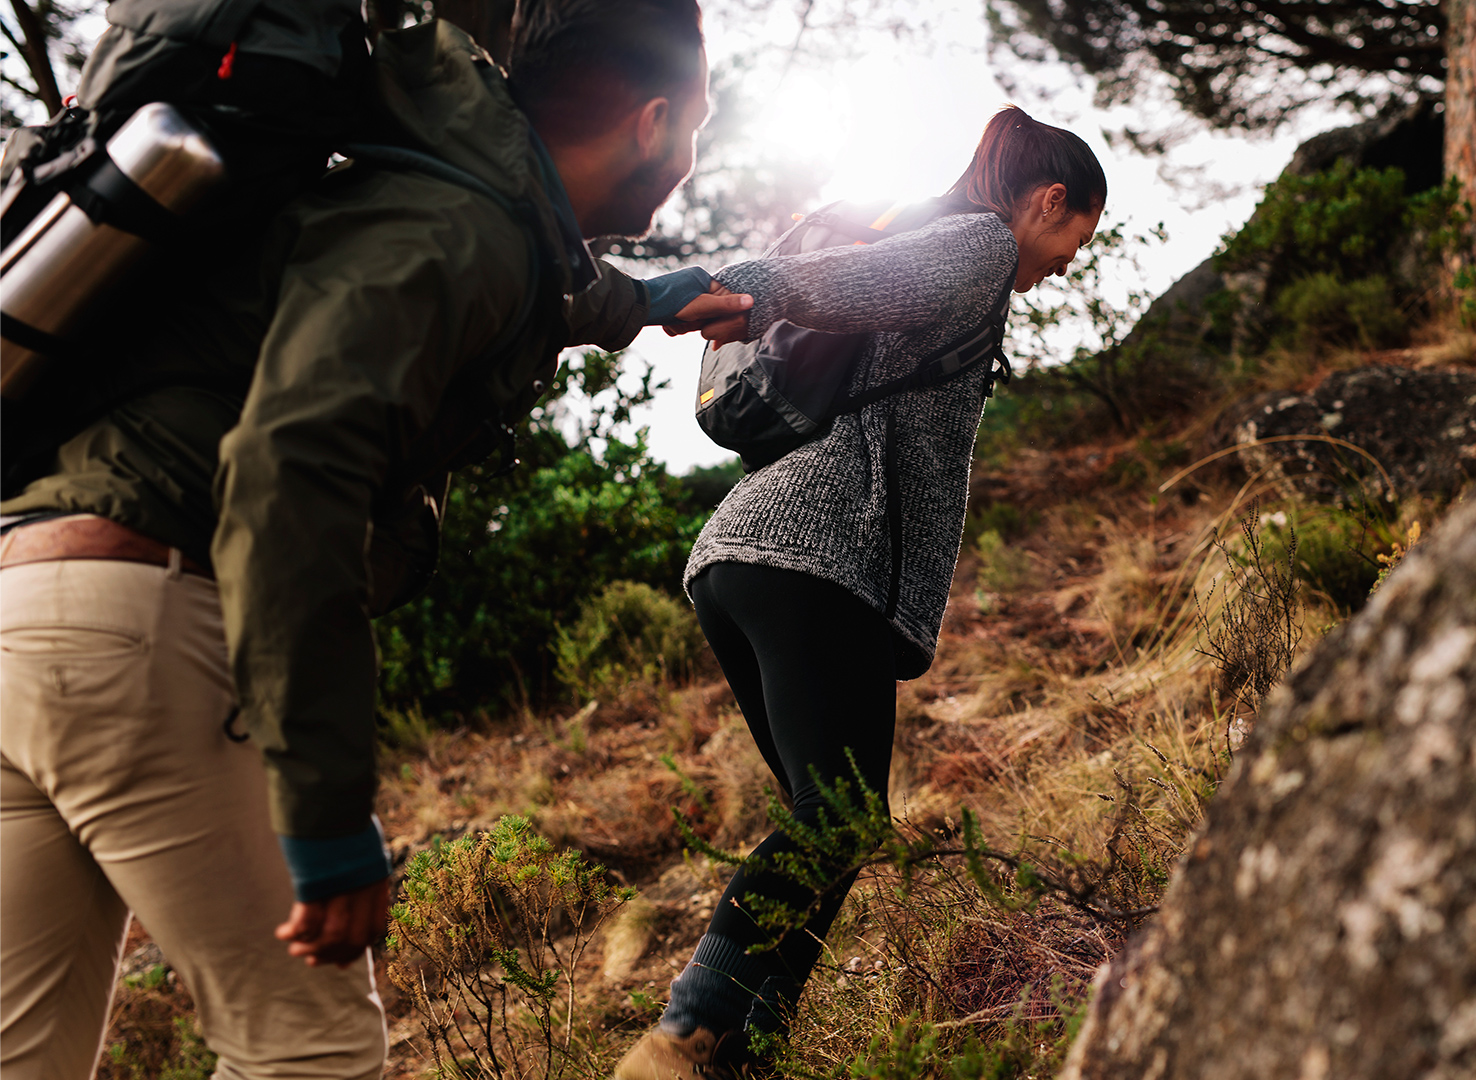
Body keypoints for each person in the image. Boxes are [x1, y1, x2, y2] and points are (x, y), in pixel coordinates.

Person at [0, 0, 746, 1075]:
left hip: (32, 609)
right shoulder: (457, 220)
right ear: (655, 119)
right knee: (308, 1052)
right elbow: (290, 472)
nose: (691, 152)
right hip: (146, 619)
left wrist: (650, 302)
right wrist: (325, 809)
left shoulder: (436, 179)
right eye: (699, 125)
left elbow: (521, 274)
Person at [617, 106, 1106, 1080]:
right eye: (1073, 241)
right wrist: (733, 283)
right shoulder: (973, 239)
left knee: (833, 821)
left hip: (747, 556)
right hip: (814, 554)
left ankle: (747, 1056)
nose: (1062, 265)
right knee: (836, 818)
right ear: (1049, 200)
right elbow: (851, 285)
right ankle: (687, 1036)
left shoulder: (934, 234)